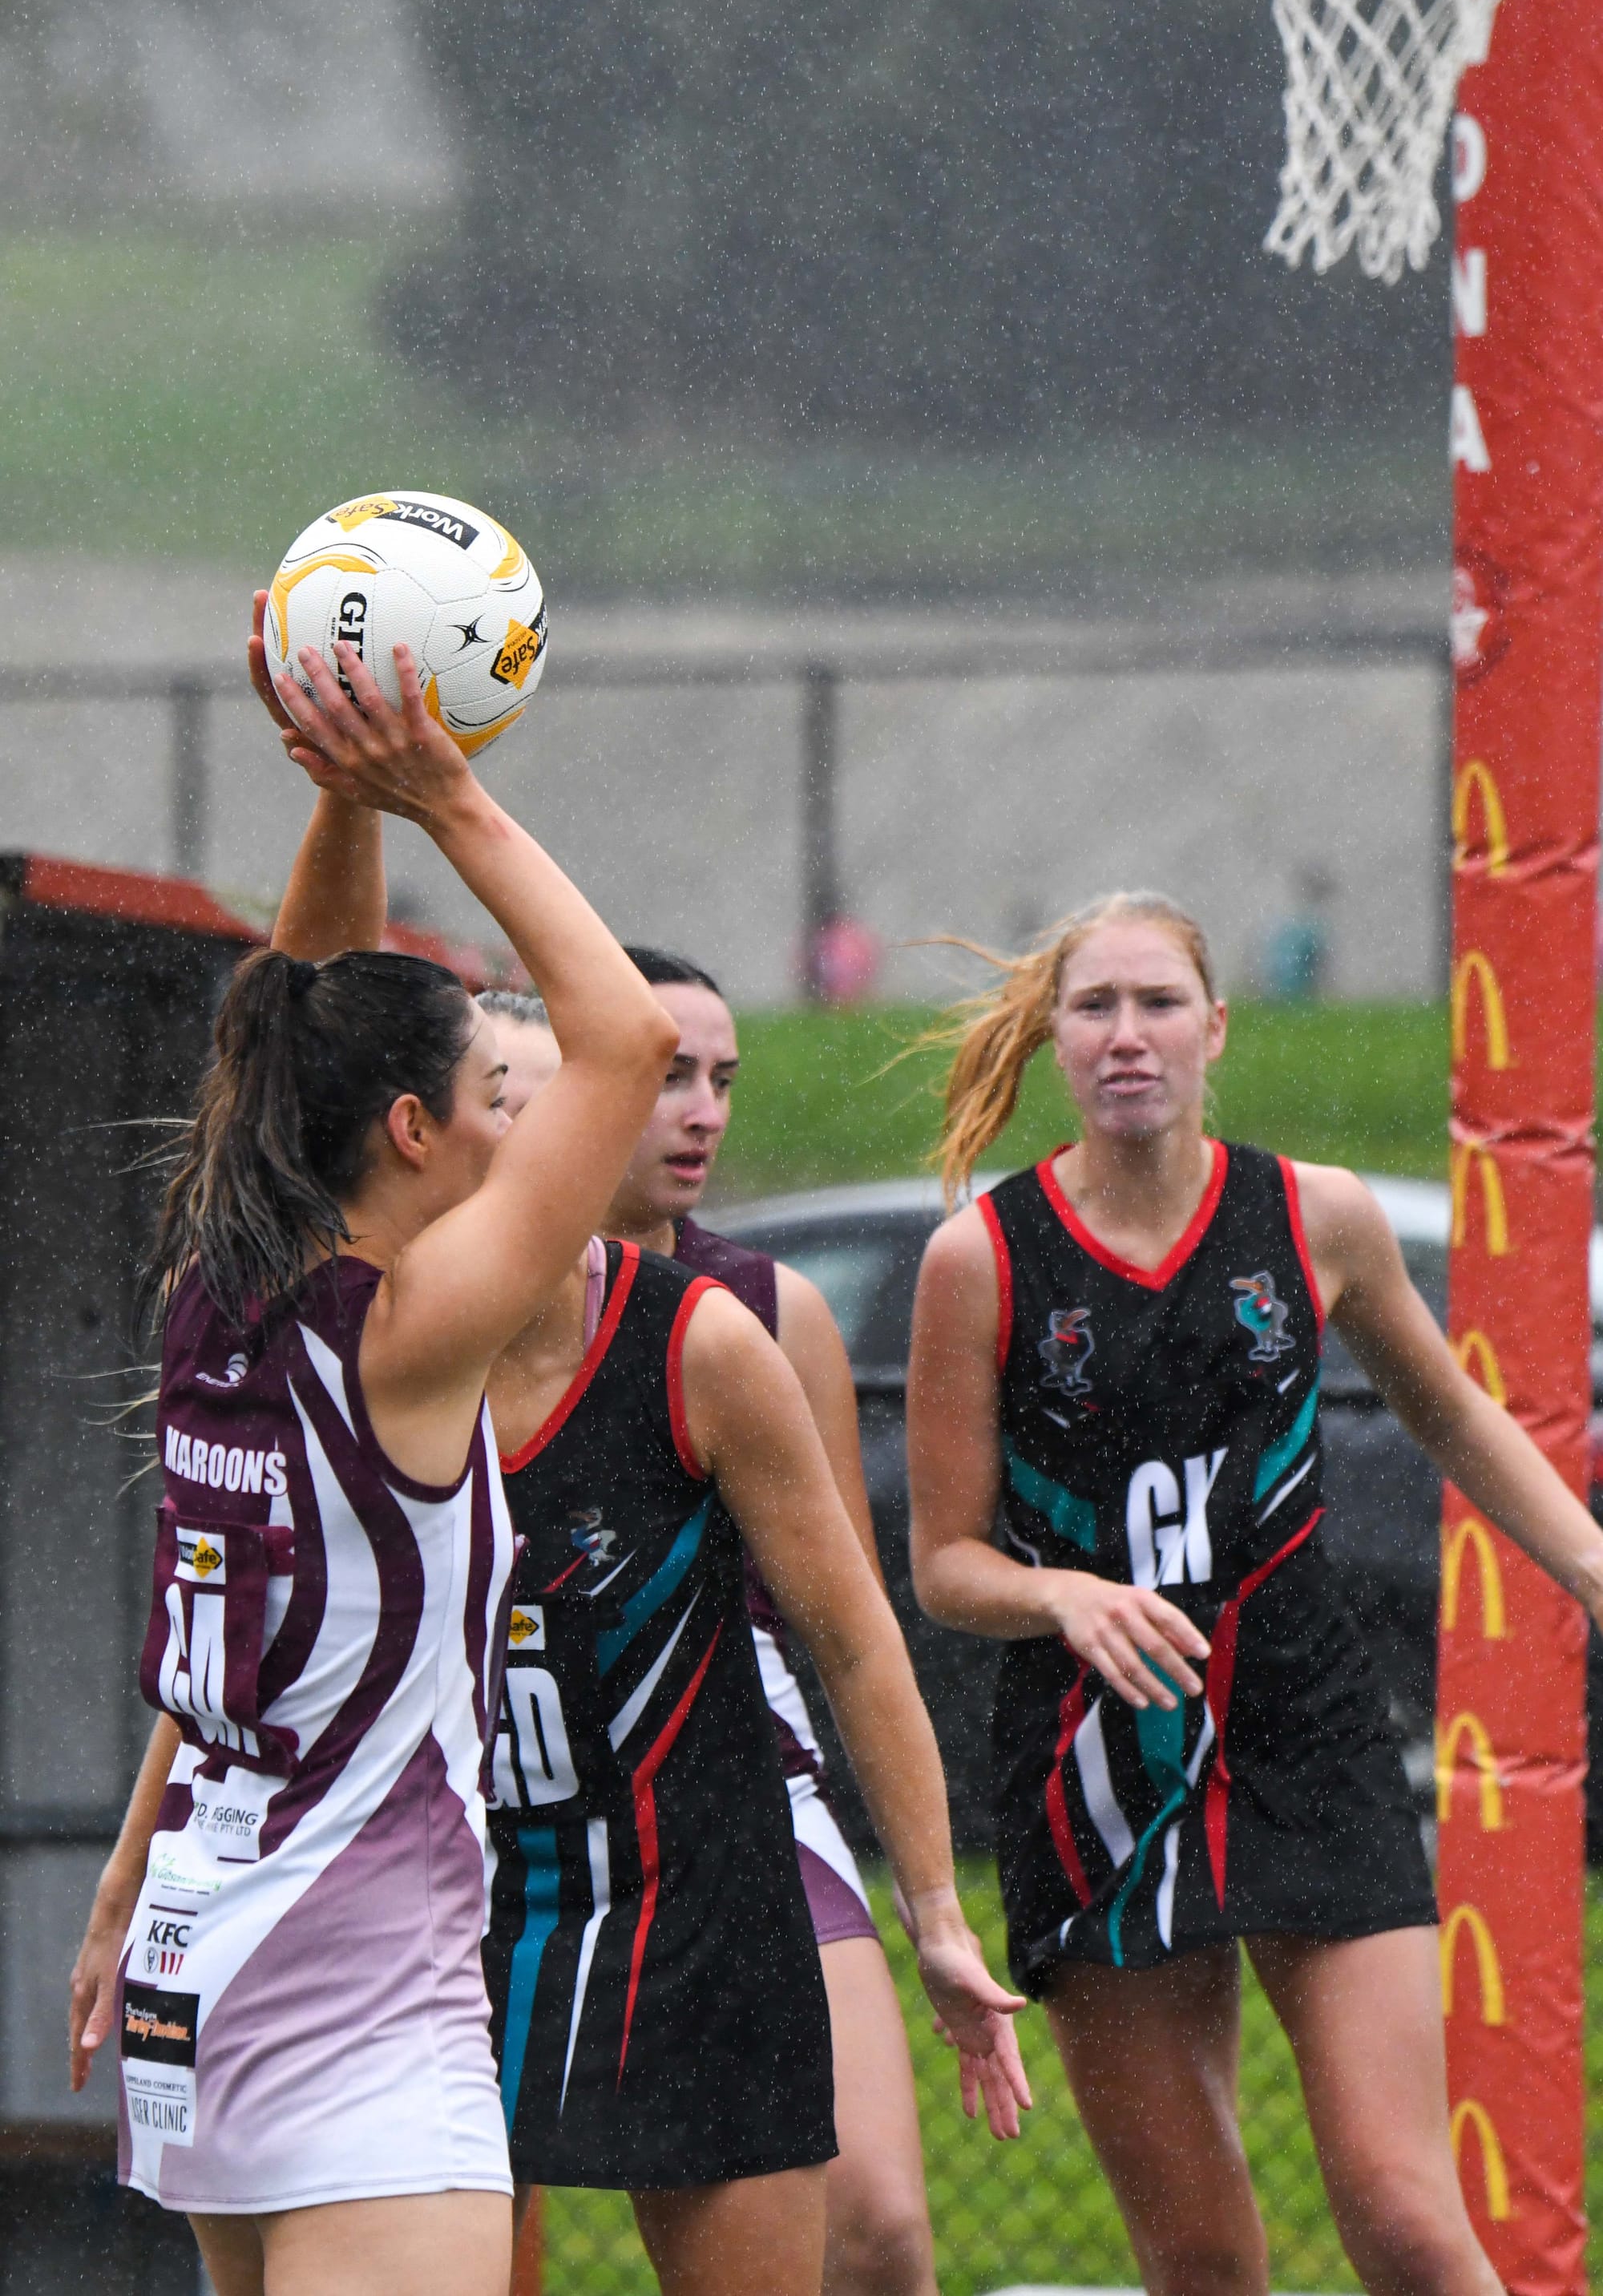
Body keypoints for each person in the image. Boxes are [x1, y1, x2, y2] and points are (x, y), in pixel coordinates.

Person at [69, 632, 680, 2296]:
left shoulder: (221, 1274)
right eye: (491, 1091)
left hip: (199, 1919)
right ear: (412, 1132)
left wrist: (346, 799)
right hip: (344, 1977)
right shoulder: (406, 1331)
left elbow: (297, 1023)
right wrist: (447, 796)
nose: (515, 1117)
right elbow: (622, 1044)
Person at [905, 890, 1603, 2296]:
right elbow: (945, 1565)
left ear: (1214, 1029)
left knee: (1409, 2218)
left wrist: (1588, 1564)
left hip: (1304, 1731)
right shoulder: (983, 1260)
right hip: (1101, 1764)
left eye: (1158, 1004)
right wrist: (1066, 1601)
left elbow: (1456, 1417)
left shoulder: (1312, 1215)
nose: (1127, 1036)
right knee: (1206, 2257)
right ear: (1053, 1039)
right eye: (1094, 1007)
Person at [501, 948, 950, 2296]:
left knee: (875, 2223)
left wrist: (931, 1898)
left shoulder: (756, 1311)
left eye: (721, 1081)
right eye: (669, 1075)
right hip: (503, 1803)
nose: (701, 1110)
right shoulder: (425, 1321)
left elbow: (846, 1622)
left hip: (722, 1787)